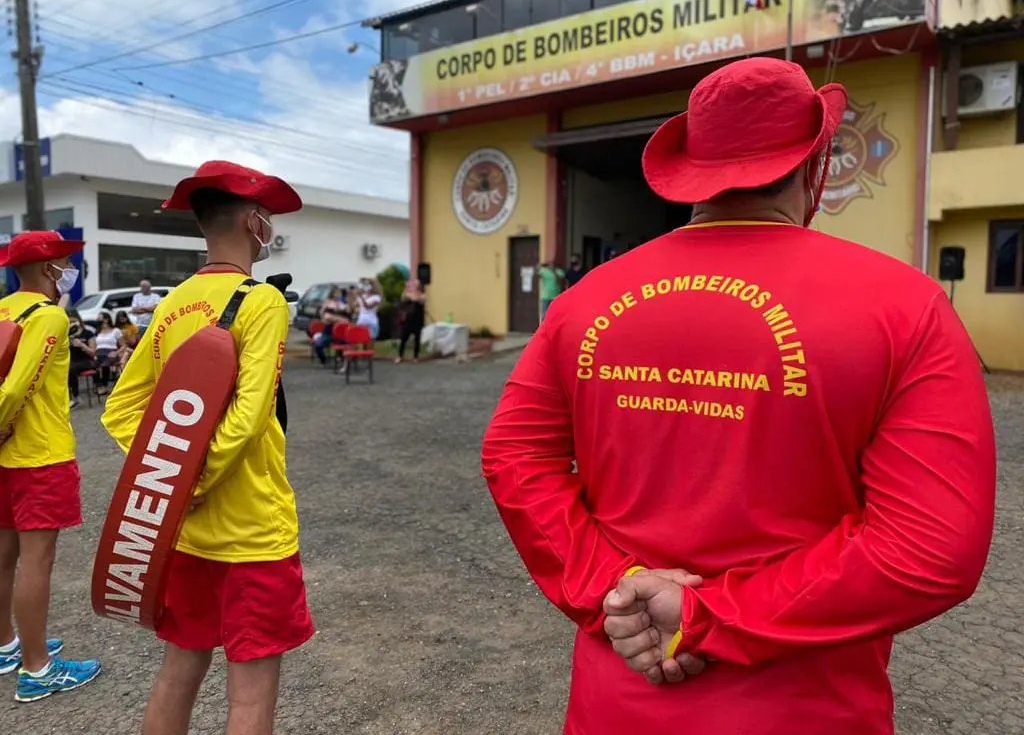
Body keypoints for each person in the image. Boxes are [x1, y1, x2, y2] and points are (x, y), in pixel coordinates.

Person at [480, 58, 996, 735]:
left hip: (619, 700)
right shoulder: (905, 308)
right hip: (805, 711)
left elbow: (514, 457)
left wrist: (614, 586)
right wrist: (706, 616)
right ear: (815, 168)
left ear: (692, 167)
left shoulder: (583, 303)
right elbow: (929, 550)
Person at [101, 160, 314, 735]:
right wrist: (193, 477)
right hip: (253, 533)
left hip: (186, 535)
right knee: (248, 698)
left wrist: (167, 477)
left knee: (177, 673)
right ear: (253, 223)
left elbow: (119, 408)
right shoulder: (263, 302)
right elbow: (250, 414)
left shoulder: (172, 304)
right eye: (265, 217)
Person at [0, 230, 101, 702]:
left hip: (6, 459)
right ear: (48, 269)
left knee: (4, 556)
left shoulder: (2, 309)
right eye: (65, 261)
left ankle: (7, 645)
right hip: (39, 454)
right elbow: (18, 388)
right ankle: (38, 669)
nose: (68, 269)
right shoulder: (49, 316)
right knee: (36, 562)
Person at [66, 309, 97, 410]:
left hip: (87, 361)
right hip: (72, 362)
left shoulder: (88, 333)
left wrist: (82, 345)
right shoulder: (67, 335)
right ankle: (68, 398)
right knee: (65, 369)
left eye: (73, 321)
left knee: (71, 369)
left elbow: (93, 352)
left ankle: (75, 397)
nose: (71, 324)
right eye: (69, 322)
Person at [313, 285, 350, 367]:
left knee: (346, 344)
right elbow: (324, 317)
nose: (338, 295)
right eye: (336, 293)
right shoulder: (327, 303)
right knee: (318, 345)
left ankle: (341, 359)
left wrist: (334, 317)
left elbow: (346, 319)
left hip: (341, 333)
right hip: (328, 331)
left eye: (339, 293)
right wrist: (336, 317)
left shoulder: (342, 303)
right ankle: (323, 361)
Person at [93, 311, 124, 394]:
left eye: (100, 318)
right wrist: (94, 354)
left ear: (106, 319)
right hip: (99, 353)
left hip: (111, 352)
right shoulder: (97, 332)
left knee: (105, 365)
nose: (98, 320)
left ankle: (105, 385)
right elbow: (95, 345)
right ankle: (99, 386)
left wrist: (116, 353)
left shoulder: (115, 331)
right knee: (92, 366)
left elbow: (124, 345)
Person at [395, 278, 426, 364]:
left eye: (416, 284)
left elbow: (417, 300)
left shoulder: (422, 295)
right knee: (404, 338)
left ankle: (415, 357)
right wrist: (406, 288)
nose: (414, 285)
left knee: (417, 339)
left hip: (418, 321)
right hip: (408, 320)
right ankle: (400, 356)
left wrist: (412, 295)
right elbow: (403, 299)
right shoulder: (407, 294)